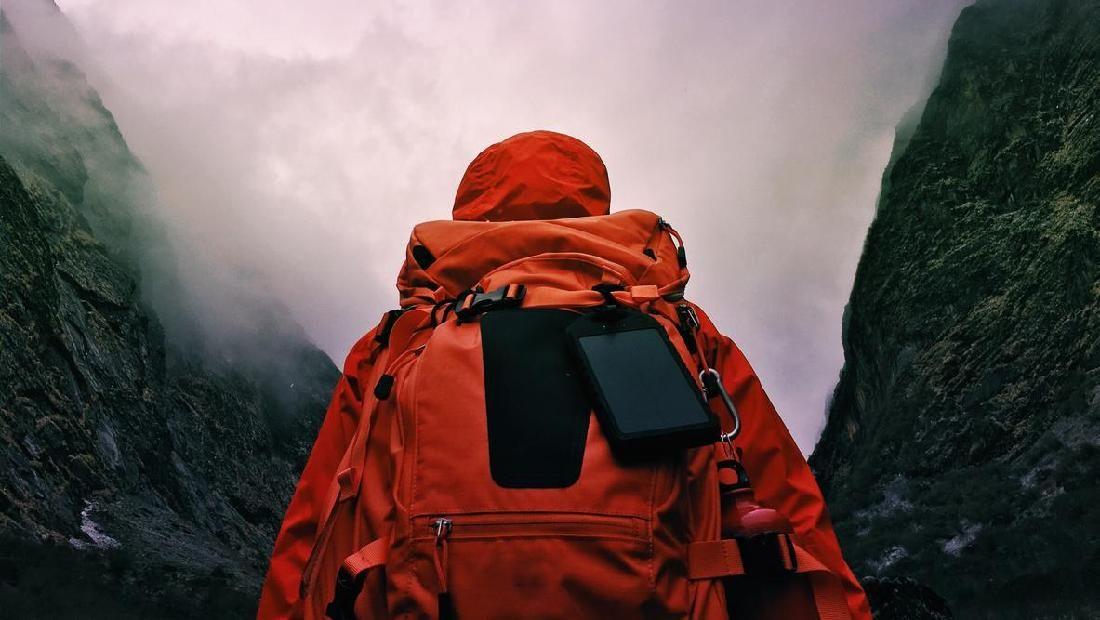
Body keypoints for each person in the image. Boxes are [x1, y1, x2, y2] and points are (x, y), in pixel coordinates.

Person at [258, 130, 870, 619]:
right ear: (594, 205)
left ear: (469, 214)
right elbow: (791, 510)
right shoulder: (680, 327)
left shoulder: (402, 336)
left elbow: (315, 532)